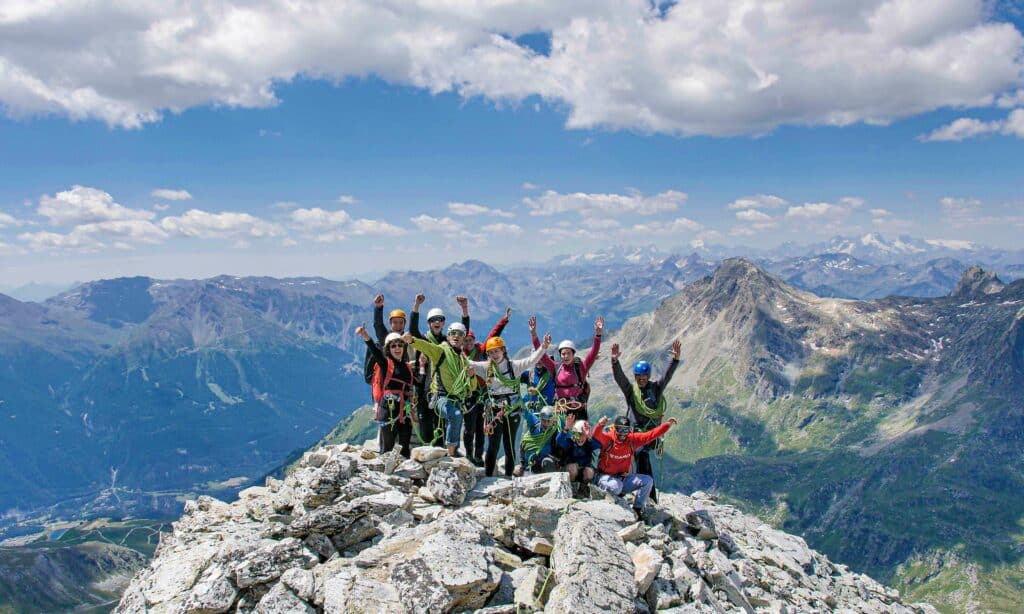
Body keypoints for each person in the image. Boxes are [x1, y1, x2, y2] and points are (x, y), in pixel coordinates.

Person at [467, 331, 551, 477]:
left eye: (497, 351)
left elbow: (531, 360)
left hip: (512, 409)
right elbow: (467, 362)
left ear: (503, 350)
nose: (494, 354)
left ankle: (507, 477)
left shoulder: (514, 366)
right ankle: (489, 477)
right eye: (491, 352)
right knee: (493, 445)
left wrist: (543, 347)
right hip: (495, 409)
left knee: (509, 445)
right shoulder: (485, 367)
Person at [610, 339, 681, 503]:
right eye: (638, 376)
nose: (641, 378)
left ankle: (646, 497)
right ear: (635, 376)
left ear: (648, 376)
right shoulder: (631, 391)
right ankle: (633, 493)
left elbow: (667, 376)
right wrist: (615, 362)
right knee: (630, 462)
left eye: (643, 376)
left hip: (647, 436)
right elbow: (620, 379)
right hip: (634, 435)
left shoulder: (655, 389)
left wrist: (675, 360)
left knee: (640, 462)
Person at [408, 294, 471, 446]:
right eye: (433, 320)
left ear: (443, 323)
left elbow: (463, 332)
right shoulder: (423, 339)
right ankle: (428, 459)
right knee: (426, 425)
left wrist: (464, 310)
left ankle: (441, 457)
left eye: (440, 320)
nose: (437, 322)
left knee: (441, 426)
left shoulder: (446, 341)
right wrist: (416, 305)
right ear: (429, 323)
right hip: (424, 388)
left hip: (442, 390)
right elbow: (412, 329)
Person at [405, 323, 476, 458]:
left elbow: (471, 388)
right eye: (453, 333)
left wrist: (472, 376)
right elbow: (427, 346)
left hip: (456, 398)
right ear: (448, 336)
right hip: (440, 396)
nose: (456, 336)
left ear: (463, 339)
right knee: (455, 415)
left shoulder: (462, 360)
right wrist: (412, 341)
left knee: (456, 417)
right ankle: (451, 452)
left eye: (460, 334)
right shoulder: (441, 351)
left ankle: (451, 448)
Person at [592, 415, 677, 519]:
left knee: (648, 481)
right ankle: (612, 502)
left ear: (629, 430)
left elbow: (651, 435)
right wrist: (600, 424)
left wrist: (667, 425)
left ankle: (637, 509)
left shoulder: (632, 440)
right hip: (605, 477)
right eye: (619, 429)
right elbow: (596, 435)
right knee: (616, 486)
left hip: (623, 479)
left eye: (626, 430)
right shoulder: (609, 439)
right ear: (615, 428)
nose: (622, 434)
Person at [461, 307, 513, 467]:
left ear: (474, 340)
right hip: (469, 394)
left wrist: (504, 320)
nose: (469, 343)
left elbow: (494, 335)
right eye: (466, 341)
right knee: (469, 427)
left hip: (483, 394)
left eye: (470, 340)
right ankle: (469, 453)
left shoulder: (481, 350)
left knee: (480, 426)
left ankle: (478, 456)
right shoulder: (460, 354)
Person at [357, 324, 415, 458]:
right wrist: (365, 336)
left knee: (405, 446)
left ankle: (406, 475)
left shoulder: (407, 366)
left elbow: (417, 382)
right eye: (393, 346)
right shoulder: (385, 364)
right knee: (387, 448)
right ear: (388, 349)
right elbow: (375, 351)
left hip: (404, 410)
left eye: (400, 345)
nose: (397, 348)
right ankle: (384, 476)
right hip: (388, 409)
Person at [531, 315, 604, 421]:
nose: (565, 356)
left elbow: (593, 353)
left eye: (568, 353)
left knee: (580, 436)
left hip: (578, 410)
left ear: (573, 354)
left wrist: (598, 334)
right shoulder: (555, 367)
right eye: (563, 354)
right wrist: (534, 334)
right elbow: (541, 355)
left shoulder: (581, 368)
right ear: (560, 355)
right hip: (560, 409)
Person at [555, 414, 602, 493]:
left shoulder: (589, 443)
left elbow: (598, 445)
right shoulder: (570, 443)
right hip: (569, 473)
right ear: (573, 434)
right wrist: (566, 429)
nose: (580, 438)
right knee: (572, 468)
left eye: (583, 435)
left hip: (582, 473)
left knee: (590, 472)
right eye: (577, 435)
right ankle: (571, 488)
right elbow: (559, 440)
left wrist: (590, 437)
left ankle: (583, 489)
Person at [517, 405, 564, 475]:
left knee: (547, 462)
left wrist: (563, 420)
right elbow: (525, 412)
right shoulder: (535, 424)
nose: (545, 423)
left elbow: (565, 436)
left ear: (554, 420)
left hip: (545, 464)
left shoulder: (556, 431)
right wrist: (521, 402)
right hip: (528, 464)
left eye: (548, 421)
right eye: (543, 420)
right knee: (518, 473)